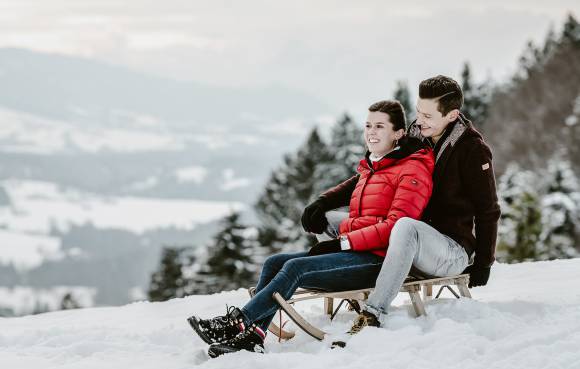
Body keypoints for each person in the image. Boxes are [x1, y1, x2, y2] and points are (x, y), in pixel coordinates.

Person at [188, 100, 434, 358]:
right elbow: (353, 200)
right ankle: (254, 336)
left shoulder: (412, 169)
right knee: (274, 262)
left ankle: (240, 321)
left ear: (398, 133)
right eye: (368, 125)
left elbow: (397, 227)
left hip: (378, 262)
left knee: (296, 268)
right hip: (354, 252)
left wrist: (345, 243)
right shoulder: (373, 166)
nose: (371, 132)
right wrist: (323, 205)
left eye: (380, 126)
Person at [337, 75, 501, 341]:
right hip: (406, 242)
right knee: (331, 220)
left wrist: (484, 263)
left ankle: (374, 312)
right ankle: (354, 282)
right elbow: (373, 174)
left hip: (450, 249)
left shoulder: (473, 150)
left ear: (451, 115)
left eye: (427, 115)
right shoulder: (415, 136)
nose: (419, 120)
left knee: (404, 226)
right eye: (418, 111)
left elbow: (488, 210)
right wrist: (326, 200)